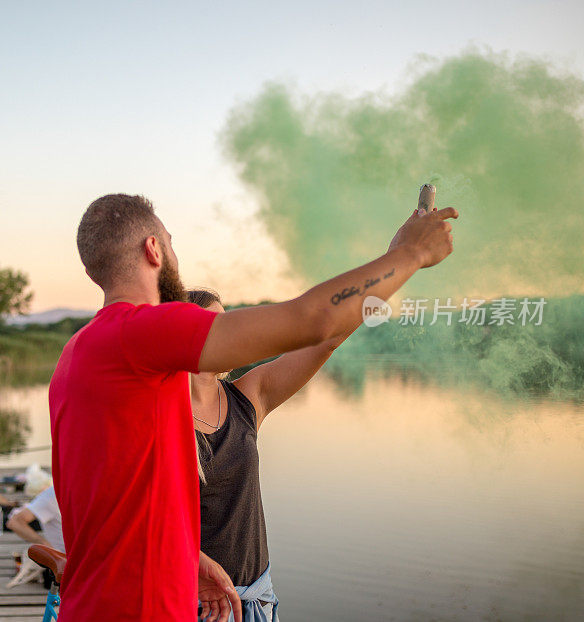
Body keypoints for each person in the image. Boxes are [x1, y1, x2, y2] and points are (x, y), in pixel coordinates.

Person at [49, 194, 457, 622]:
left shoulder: (79, 353)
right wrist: (411, 253)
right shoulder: (140, 335)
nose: (174, 255)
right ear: (154, 249)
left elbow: (116, 501)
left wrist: (189, 558)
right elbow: (311, 319)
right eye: (170, 242)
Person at [189, 287, 356, 622]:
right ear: (184, 335)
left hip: (257, 600)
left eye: (228, 324)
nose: (229, 334)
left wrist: (385, 277)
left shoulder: (247, 396)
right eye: (214, 326)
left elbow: (326, 340)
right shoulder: (156, 416)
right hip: (196, 606)